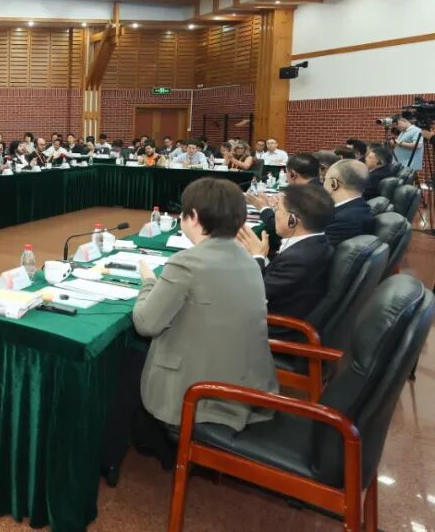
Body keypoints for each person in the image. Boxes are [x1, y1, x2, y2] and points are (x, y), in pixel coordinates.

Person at [133, 177, 278, 432]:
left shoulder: (186, 262)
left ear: (193, 217)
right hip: (246, 384)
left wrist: (148, 282)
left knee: (130, 360)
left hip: (202, 395)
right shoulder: (249, 258)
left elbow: (145, 323)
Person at [236, 183, 334, 320]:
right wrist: (261, 255)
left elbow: (252, 295)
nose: (274, 214)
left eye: (277, 209)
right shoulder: (315, 244)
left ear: (292, 220)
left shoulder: (299, 259)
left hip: (270, 324)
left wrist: (257, 255)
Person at [323, 159, 376, 246]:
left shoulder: (342, 221)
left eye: (325, 179)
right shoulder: (360, 208)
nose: (323, 184)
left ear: (334, 183)